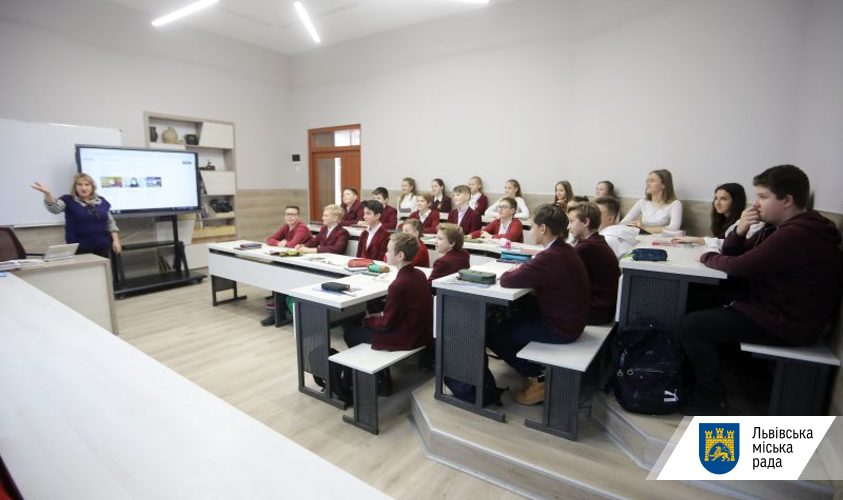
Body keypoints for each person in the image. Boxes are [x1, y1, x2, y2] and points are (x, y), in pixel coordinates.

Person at [679, 165, 842, 415]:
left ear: (787, 200)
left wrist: (708, 256)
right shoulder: (784, 228)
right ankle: (690, 379)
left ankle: (710, 399)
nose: (756, 204)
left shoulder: (795, 235)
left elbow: (738, 266)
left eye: (763, 197)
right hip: (776, 311)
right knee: (695, 299)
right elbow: (736, 253)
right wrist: (740, 230)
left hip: (785, 323)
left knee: (692, 325)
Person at [486, 204, 590, 405]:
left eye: (532, 226)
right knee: (512, 316)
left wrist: (516, 270)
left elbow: (507, 280)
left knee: (495, 334)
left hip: (561, 328)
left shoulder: (550, 257)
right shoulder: (564, 249)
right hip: (571, 320)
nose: (531, 230)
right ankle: (533, 367)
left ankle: (537, 378)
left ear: (543, 228)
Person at [342, 232, 434, 392]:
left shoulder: (398, 284)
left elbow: (386, 324)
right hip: (420, 333)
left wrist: (368, 320)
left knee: (350, 333)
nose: (385, 254)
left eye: (389, 250)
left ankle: (381, 380)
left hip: (406, 337)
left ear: (400, 255)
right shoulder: (419, 274)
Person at [32, 174, 121, 258]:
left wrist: (116, 240)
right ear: (75, 187)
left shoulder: (101, 201)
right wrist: (48, 194)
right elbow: (55, 209)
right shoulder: (68, 200)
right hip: (79, 249)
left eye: (87, 184)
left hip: (102, 247)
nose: (83, 188)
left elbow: (110, 223)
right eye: (79, 184)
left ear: (92, 186)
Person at [566, 202, 620, 324]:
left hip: (596, 310)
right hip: (604, 308)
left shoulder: (587, 247)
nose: (568, 227)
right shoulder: (597, 241)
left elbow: (558, 271)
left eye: (571, 221)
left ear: (586, 222)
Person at [672, 183, 763, 248]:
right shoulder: (722, 220)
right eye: (716, 198)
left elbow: (729, 244)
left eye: (723, 199)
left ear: (736, 201)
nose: (717, 203)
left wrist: (697, 240)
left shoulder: (747, 223)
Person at [620, 169, 682, 233]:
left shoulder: (675, 204)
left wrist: (644, 229)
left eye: (652, 181)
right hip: (642, 237)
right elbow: (622, 223)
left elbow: (674, 228)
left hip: (662, 238)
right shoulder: (642, 202)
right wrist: (633, 224)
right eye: (647, 181)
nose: (648, 184)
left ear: (663, 184)